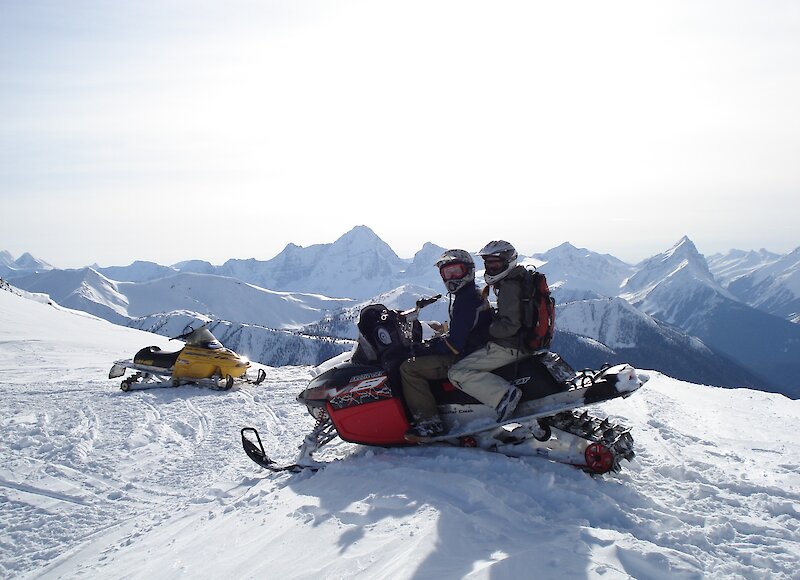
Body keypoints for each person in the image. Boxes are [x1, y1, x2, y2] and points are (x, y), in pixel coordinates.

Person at [400, 249, 491, 439]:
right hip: (475, 349)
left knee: (409, 368)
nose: (451, 278)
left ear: (469, 271)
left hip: (465, 355)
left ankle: (429, 422)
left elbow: (454, 345)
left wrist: (424, 348)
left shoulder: (465, 300)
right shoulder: (470, 294)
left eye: (455, 271)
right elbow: (462, 332)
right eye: (446, 273)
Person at [448, 240, 527, 422]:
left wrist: (486, 330)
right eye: (488, 263)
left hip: (510, 346)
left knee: (456, 372)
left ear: (509, 261)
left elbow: (509, 325)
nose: (491, 267)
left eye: (496, 262)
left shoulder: (509, 286)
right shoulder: (518, 279)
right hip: (520, 342)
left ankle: (504, 397)